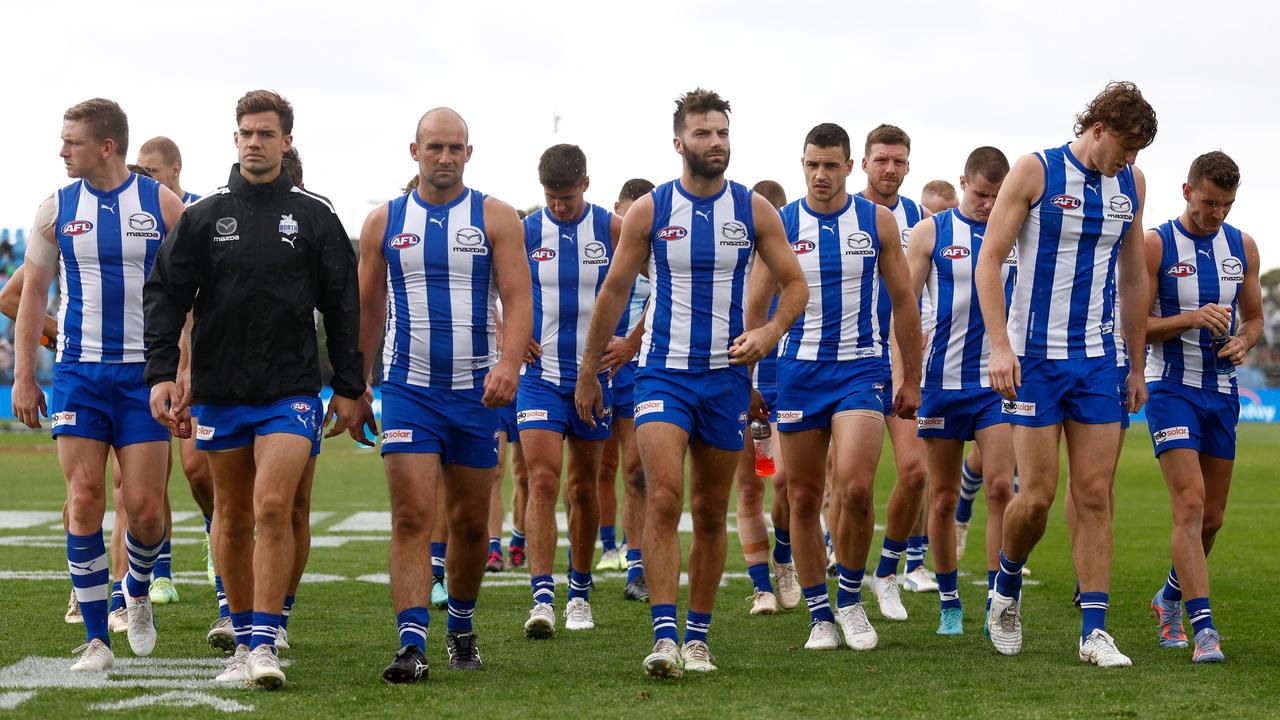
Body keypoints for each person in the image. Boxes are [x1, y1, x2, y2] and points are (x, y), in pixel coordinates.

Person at [144, 90, 374, 689]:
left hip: (292, 390)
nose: (254, 142)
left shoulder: (317, 215)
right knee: (231, 512)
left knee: (274, 506)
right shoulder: (203, 216)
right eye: (246, 132)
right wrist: (164, 373)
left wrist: (350, 386)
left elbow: (343, 306)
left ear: (286, 141)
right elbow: (166, 294)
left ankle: (267, 641)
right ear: (236, 138)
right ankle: (242, 639)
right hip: (220, 391)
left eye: (266, 134)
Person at [575, 88, 806, 678]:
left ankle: (698, 638)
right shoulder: (651, 211)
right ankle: (662, 636)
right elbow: (615, 292)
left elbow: (796, 287)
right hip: (662, 375)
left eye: (723, 133)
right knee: (663, 497)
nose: (716, 143)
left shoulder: (754, 211)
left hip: (725, 380)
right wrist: (589, 373)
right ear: (679, 143)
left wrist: (770, 330)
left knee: (708, 510)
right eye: (703, 134)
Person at [975, 81, 1156, 667]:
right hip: (1034, 361)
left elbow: (1132, 280)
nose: (1128, 161)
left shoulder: (1131, 183)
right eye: (1124, 147)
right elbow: (988, 261)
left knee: (1096, 493)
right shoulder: (1035, 171)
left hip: (1099, 360)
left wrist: (1133, 362)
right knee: (1036, 500)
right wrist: (1000, 347)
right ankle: (1006, 587)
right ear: (1097, 128)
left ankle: (1094, 630)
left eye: (1137, 153)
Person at [11, 98, 185, 672]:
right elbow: (31, 293)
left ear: (106, 146)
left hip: (144, 377)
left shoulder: (161, 204)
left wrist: (183, 368)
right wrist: (27, 378)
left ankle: (136, 591)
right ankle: (95, 639)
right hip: (80, 376)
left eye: (72, 141)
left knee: (146, 510)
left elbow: (192, 294)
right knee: (83, 499)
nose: (62, 150)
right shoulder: (55, 209)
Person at [359, 107, 531, 682]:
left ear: (468, 153)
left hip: (476, 392)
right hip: (408, 389)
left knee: (469, 524)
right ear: (415, 151)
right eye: (435, 147)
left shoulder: (497, 216)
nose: (445, 157)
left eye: (455, 148)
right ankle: (412, 642)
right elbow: (368, 308)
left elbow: (517, 297)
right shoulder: (384, 221)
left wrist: (509, 362)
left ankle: (460, 624)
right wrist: (356, 384)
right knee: (411, 515)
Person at [752, 122, 922, 651]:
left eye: (830, 165)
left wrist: (911, 376)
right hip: (797, 374)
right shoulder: (779, 224)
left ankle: (850, 599)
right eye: (811, 165)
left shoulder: (878, 221)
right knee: (801, 495)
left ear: (850, 167)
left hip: (860, 370)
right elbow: (755, 306)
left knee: (852, 485)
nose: (820, 175)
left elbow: (904, 303)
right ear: (802, 165)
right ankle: (820, 616)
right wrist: (749, 378)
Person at [1144, 151, 1262, 663]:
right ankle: (1203, 628)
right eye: (1209, 202)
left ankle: (1168, 595)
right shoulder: (1156, 244)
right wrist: (1189, 318)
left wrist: (1245, 343)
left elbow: (1253, 319)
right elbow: (1135, 326)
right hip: (1170, 387)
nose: (1217, 214)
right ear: (1187, 190)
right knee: (1190, 505)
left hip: (1222, 392)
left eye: (1227, 205)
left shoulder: (1243, 246)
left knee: (1212, 518)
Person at [905, 147, 1016, 636]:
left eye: (997, 196)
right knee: (944, 497)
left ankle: (998, 595)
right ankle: (949, 598)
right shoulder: (931, 231)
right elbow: (905, 305)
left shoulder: (1018, 230)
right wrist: (902, 371)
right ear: (963, 183)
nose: (988, 204)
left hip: (997, 383)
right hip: (941, 382)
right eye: (980, 193)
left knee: (999, 489)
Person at [517, 144, 622, 638]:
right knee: (542, 480)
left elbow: (665, 281)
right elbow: (487, 284)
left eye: (566, 196)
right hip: (539, 380)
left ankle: (578, 593)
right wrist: (504, 330)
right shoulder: (525, 231)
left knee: (583, 487)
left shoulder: (611, 228)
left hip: (595, 379)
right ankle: (542, 596)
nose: (558, 206)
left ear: (586, 183)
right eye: (550, 197)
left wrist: (634, 339)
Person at [856, 124, 936, 618]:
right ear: (863, 163)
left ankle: (886, 571)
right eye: (881, 159)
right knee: (846, 485)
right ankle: (836, 584)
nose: (890, 169)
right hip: (846, 363)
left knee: (915, 471)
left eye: (899, 161)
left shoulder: (923, 221)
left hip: (901, 363)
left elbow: (927, 298)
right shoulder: (841, 213)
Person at [733, 178, 798, 615]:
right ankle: (761, 587)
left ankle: (785, 554)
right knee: (751, 485)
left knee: (783, 481)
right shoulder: (732, 268)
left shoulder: (795, 270)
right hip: (745, 388)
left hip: (790, 387)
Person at [595, 178, 654, 601]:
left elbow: (671, 295)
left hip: (637, 370)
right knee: (595, 470)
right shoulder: (595, 248)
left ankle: (637, 566)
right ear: (618, 209)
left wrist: (633, 339)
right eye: (626, 213)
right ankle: (597, 549)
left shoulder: (657, 257)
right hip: (595, 367)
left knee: (636, 470)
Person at [136, 136, 201, 206]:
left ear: (175, 170)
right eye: (139, 169)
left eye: (150, 170)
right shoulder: (133, 205)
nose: (142, 176)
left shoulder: (201, 208)